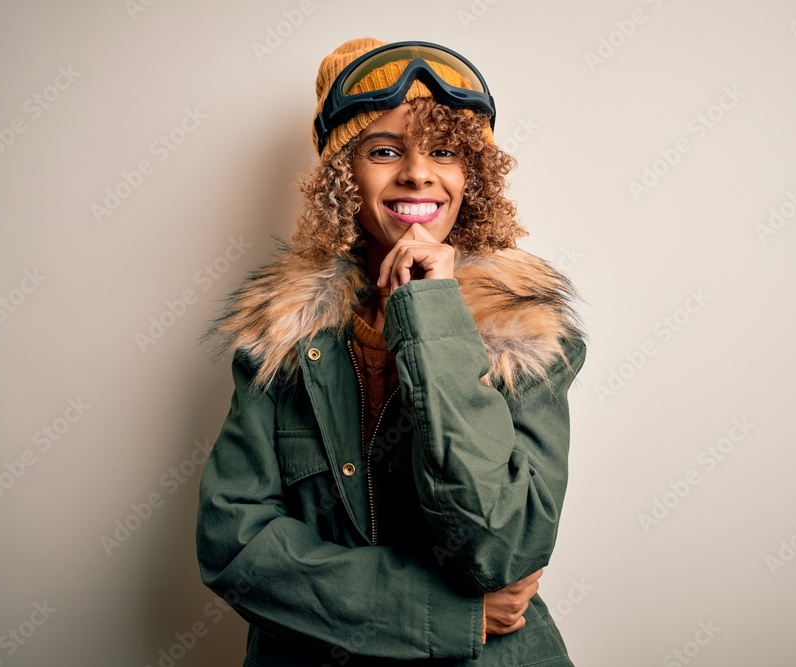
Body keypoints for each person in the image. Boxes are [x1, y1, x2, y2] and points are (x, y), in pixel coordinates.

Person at [196, 37, 587, 666]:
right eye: (383, 151)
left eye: (444, 151)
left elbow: (502, 547)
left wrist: (431, 314)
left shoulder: (530, 336)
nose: (417, 172)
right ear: (341, 177)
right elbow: (234, 546)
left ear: (474, 178)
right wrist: (446, 613)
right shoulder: (278, 339)